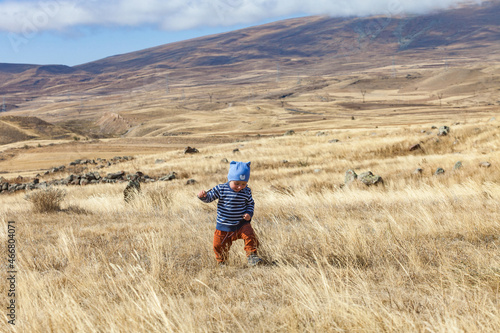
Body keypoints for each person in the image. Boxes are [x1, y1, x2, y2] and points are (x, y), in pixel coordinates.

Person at [197, 161, 263, 267]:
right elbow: (209, 198)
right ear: (230, 179)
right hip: (223, 226)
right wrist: (203, 196)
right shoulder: (221, 188)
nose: (240, 187)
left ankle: (252, 256)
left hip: (241, 224)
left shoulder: (246, 191)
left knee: (250, 236)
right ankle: (222, 262)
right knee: (218, 245)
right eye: (236, 183)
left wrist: (249, 213)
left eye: (243, 184)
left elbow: (250, 203)